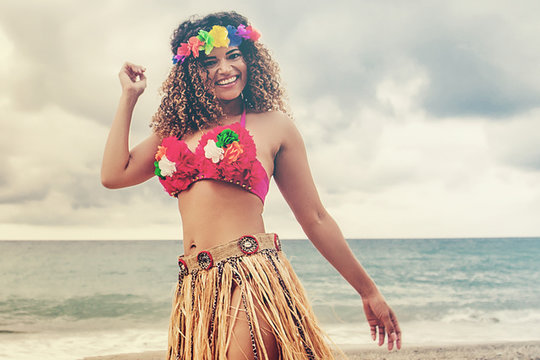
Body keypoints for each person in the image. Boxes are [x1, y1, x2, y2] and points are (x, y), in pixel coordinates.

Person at [101, 11, 400, 360]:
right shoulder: (176, 130)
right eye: (210, 61)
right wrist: (129, 97)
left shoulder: (275, 126)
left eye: (234, 55)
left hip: (251, 278)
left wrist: (368, 291)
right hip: (196, 290)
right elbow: (113, 175)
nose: (225, 69)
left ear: (251, 60)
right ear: (191, 72)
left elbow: (315, 217)